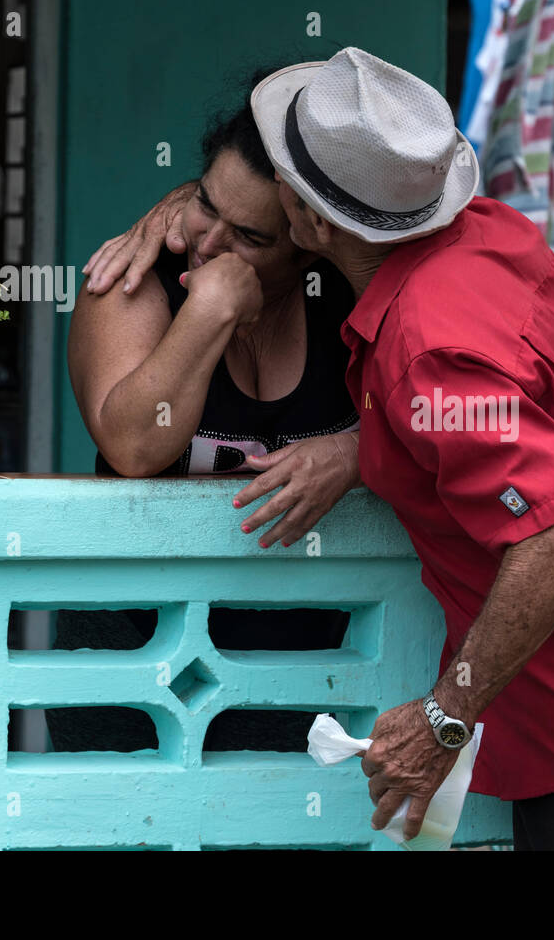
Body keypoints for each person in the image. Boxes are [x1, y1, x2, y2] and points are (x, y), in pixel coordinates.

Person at [98, 47, 554, 851]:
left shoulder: (430, 345)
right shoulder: (482, 235)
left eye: (278, 186)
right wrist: (196, 212)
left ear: (315, 225)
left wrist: (443, 714)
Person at [57, 80, 360, 755]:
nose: (207, 241)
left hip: (306, 662)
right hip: (137, 656)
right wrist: (211, 308)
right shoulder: (134, 281)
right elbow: (134, 445)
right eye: (203, 202)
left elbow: (421, 418)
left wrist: (354, 451)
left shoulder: (343, 297)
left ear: (312, 242)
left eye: (249, 234)